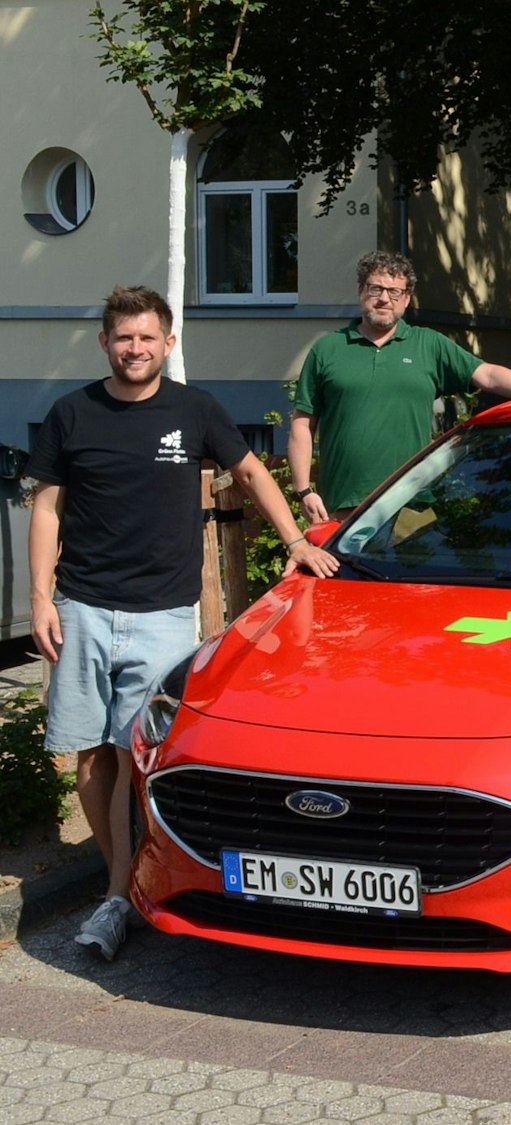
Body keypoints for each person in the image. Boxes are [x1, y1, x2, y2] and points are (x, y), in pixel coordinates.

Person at [27, 286, 341, 962]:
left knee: (134, 755)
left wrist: (294, 541)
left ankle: (118, 894)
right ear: (105, 343)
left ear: (168, 343)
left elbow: (253, 470)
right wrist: (41, 597)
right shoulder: (71, 413)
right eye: (123, 337)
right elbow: (47, 508)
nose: (134, 348)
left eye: (147, 337)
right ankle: (123, 887)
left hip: (164, 616)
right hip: (82, 605)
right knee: (89, 752)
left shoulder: (193, 408)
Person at [288, 251, 511, 522]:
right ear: (360, 291)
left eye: (394, 292)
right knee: (344, 581)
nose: (383, 299)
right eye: (375, 288)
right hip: (342, 505)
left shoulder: (428, 344)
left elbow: (488, 375)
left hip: (412, 504)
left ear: (407, 299)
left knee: (416, 580)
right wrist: (303, 490)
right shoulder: (328, 349)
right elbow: (302, 425)